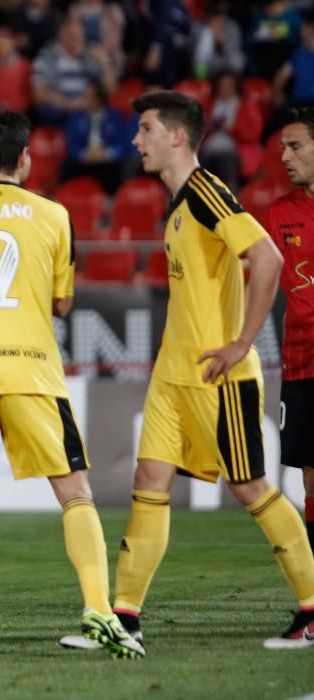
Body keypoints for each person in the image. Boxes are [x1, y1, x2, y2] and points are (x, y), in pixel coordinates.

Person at [0, 111, 143, 660]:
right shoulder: (54, 214)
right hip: (34, 370)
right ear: (26, 158)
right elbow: (64, 302)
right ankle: (98, 610)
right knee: (75, 493)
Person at [108, 90, 314, 651]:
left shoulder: (205, 192)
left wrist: (241, 342)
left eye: (145, 129)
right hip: (174, 377)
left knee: (251, 489)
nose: (136, 140)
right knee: (149, 482)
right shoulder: (179, 203)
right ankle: (123, 619)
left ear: (177, 137)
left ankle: (312, 608)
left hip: (216, 377)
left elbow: (266, 257)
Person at [264, 107, 314, 564]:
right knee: (310, 476)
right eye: (282, 146)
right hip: (301, 364)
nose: (284, 156)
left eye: (295, 146)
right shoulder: (279, 214)